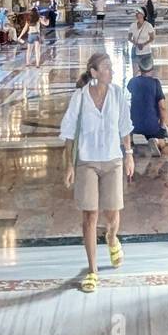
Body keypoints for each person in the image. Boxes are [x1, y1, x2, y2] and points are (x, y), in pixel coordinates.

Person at [59, 51, 134, 292]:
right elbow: (69, 133)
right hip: (86, 161)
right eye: (107, 68)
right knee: (89, 216)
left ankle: (112, 238)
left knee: (112, 215)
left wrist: (129, 154)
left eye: (112, 68)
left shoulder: (117, 95)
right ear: (94, 73)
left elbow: (125, 127)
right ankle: (92, 270)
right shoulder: (79, 98)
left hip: (113, 160)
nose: (111, 72)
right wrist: (69, 165)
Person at [128, 63, 168, 156]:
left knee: (130, 120)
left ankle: (130, 140)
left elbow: (129, 91)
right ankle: (156, 141)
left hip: (134, 123)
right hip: (151, 124)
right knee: (163, 142)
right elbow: (162, 107)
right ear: (152, 70)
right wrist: (162, 125)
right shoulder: (155, 83)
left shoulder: (133, 81)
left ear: (140, 69)